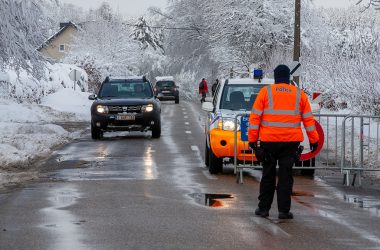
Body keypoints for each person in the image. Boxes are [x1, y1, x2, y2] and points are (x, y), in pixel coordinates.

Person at [248, 64, 319, 219]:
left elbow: (255, 118)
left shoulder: (265, 92)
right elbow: (308, 120)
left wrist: (252, 140)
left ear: (275, 78)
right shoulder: (299, 94)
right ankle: (284, 211)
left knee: (268, 175)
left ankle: (263, 209)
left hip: (269, 142)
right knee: (286, 177)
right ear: (288, 78)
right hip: (290, 143)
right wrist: (314, 140)